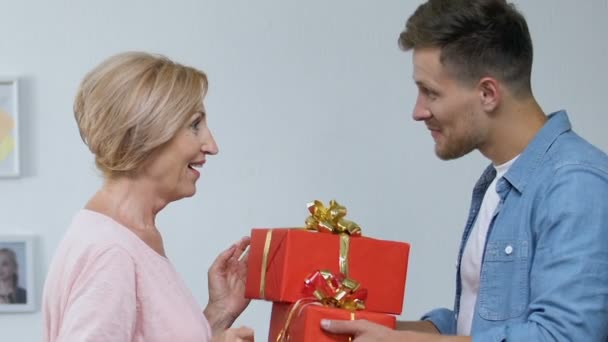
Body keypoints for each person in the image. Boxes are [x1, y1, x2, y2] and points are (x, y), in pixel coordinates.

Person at [321, 0, 608, 340]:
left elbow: (565, 337)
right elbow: (482, 325)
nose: (418, 111)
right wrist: (370, 329)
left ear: (488, 93)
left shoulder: (576, 184)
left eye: (430, 93)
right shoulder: (498, 183)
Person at [42, 52, 254, 342]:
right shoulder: (111, 252)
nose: (211, 145)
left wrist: (219, 313)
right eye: (195, 125)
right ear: (145, 133)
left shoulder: (127, 236)